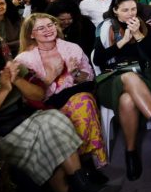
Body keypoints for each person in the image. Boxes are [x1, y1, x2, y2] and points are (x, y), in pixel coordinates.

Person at [0, 31, 104, 192]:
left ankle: (78, 183)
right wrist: (4, 90)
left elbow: (39, 95)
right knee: (44, 138)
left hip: (24, 118)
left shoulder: (10, 67)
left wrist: (16, 79)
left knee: (53, 120)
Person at [15, 13, 107, 172]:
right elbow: (28, 96)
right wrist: (52, 76)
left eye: (50, 25)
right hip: (45, 105)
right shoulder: (24, 59)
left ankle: (83, 162)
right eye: (41, 28)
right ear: (31, 34)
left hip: (74, 96)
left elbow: (88, 77)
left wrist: (74, 72)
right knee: (79, 106)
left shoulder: (71, 47)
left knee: (84, 101)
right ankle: (82, 163)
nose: (48, 30)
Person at [92, 0, 151, 179]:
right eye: (125, 10)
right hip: (111, 78)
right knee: (128, 77)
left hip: (143, 78)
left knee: (127, 100)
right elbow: (98, 60)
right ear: (115, 10)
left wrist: (138, 35)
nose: (131, 13)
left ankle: (130, 152)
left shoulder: (143, 25)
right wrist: (122, 42)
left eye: (133, 9)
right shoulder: (105, 27)